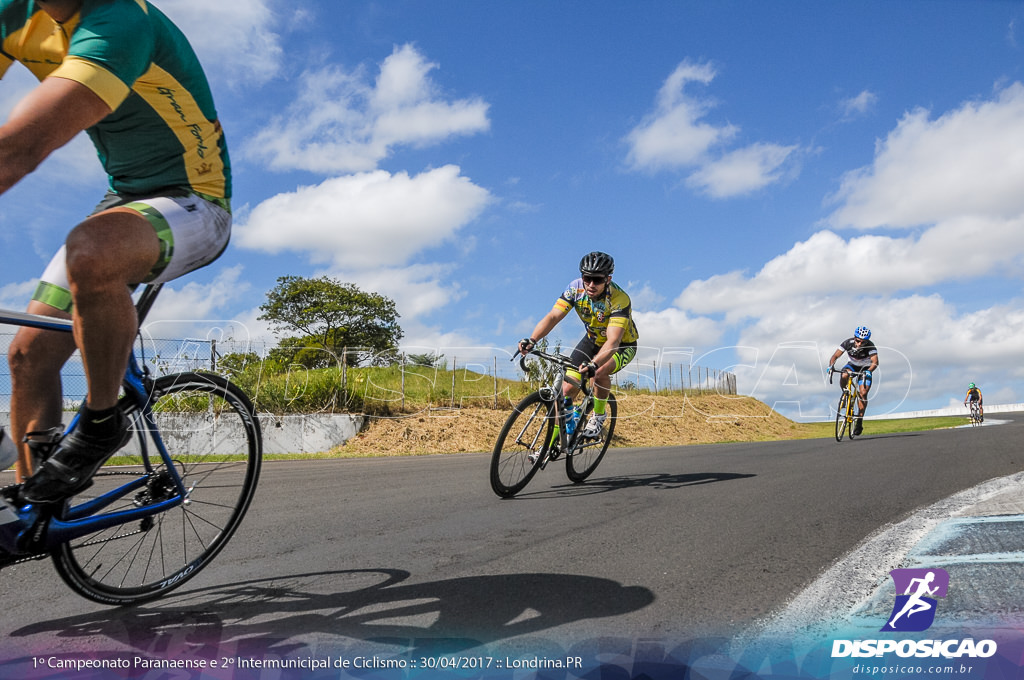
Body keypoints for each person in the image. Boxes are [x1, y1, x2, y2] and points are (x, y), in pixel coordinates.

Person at [0, 0, 231, 504]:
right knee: (27, 353)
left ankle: (101, 421)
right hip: (121, 199)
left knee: (89, 250)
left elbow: (18, 150)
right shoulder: (11, 14)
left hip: (195, 199)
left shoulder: (122, 20)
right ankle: (34, 506)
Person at [518, 251, 639, 442]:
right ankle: (551, 444)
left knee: (599, 373)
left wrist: (594, 364)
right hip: (592, 340)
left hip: (622, 345)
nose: (591, 284)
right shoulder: (575, 288)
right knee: (566, 390)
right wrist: (532, 340)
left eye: (597, 280)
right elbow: (553, 316)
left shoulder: (619, 299)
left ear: (608, 279)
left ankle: (598, 416)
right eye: (587, 278)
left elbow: (613, 341)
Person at [827, 326, 878, 436]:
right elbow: (835, 356)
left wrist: (869, 371)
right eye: (858, 341)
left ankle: (859, 421)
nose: (859, 344)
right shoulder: (848, 343)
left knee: (863, 393)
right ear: (855, 338)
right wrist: (831, 366)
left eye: (863, 342)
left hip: (865, 368)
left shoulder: (870, 346)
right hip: (852, 365)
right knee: (844, 374)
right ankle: (845, 392)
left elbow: (875, 362)